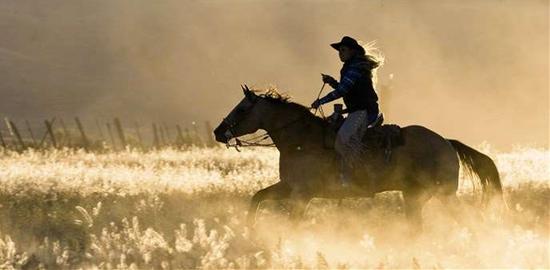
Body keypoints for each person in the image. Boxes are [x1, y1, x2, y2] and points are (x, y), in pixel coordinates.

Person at [311, 36, 382, 192]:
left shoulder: (355, 67)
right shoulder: (354, 66)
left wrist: (320, 101)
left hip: (363, 111)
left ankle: (351, 177)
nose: (340, 53)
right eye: (339, 51)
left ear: (352, 51)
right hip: (359, 110)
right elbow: (346, 88)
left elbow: (343, 90)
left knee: (342, 141)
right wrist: (332, 82)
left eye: (343, 50)